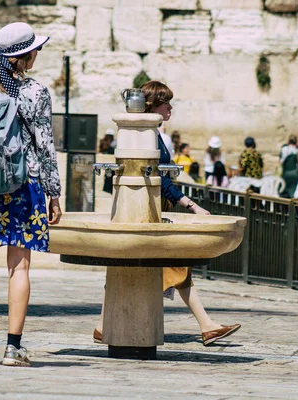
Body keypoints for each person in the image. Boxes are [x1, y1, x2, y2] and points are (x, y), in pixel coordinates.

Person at [94, 81, 240, 346]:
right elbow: (163, 180)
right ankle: (207, 326)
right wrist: (192, 205)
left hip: (147, 208)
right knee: (173, 267)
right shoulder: (149, 135)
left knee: (130, 266)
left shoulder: (153, 133)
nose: (170, 108)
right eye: (166, 104)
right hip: (150, 210)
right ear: (153, 105)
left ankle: (103, 325)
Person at [0, 22, 62, 367]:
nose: (38, 53)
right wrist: (54, 194)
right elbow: (46, 146)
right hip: (25, 185)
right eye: (35, 49)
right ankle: (12, 348)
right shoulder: (35, 92)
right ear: (24, 56)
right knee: (19, 269)